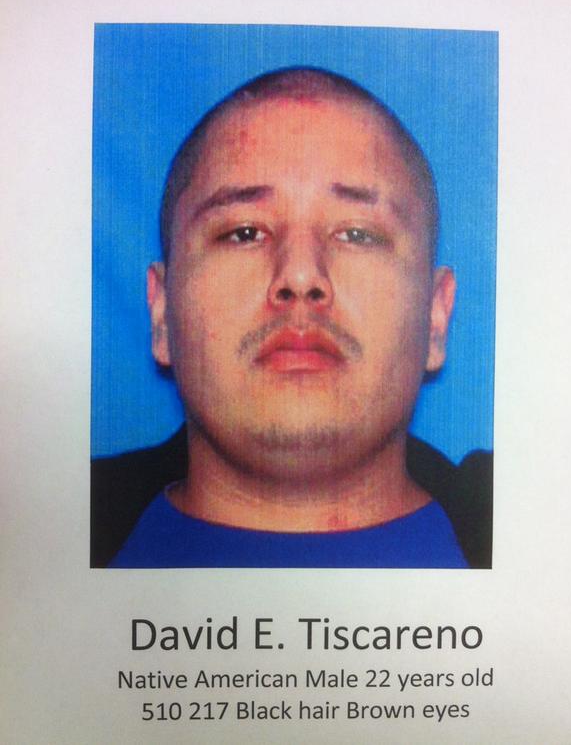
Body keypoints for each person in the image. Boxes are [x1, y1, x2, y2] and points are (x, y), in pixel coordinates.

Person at [91, 67, 492, 569]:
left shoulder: (546, 541)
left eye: (358, 234)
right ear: (162, 313)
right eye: (243, 233)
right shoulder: (39, 530)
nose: (300, 276)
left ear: (435, 316)